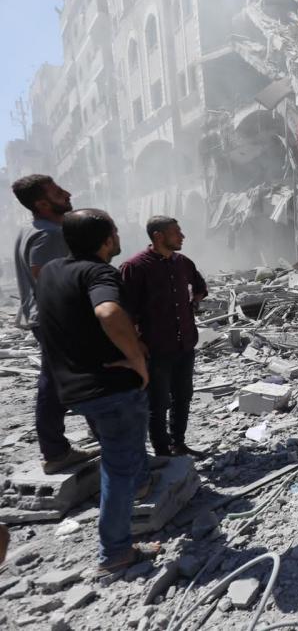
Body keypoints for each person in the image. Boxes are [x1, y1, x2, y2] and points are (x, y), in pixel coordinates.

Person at [35, 209, 159, 574]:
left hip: (74, 389)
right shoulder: (99, 272)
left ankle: (140, 487)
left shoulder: (51, 271)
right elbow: (107, 312)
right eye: (115, 232)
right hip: (111, 388)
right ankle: (115, 551)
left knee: (120, 452)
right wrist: (136, 358)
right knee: (117, 468)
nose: (119, 237)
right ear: (106, 240)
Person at [11, 174, 98, 474]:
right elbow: (47, 277)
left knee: (58, 380)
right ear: (42, 204)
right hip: (58, 320)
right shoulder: (49, 235)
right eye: (58, 192)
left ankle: (58, 448)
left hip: (47, 319)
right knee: (65, 381)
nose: (67, 193)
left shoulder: (33, 229)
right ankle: (58, 450)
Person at [120, 217, 208, 458]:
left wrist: (194, 301)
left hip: (184, 343)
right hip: (156, 348)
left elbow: (200, 287)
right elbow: (124, 311)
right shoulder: (135, 267)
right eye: (176, 232)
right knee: (158, 403)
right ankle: (162, 451)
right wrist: (136, 342)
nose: (182, 236)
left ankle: (178, 443)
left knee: (183, 397)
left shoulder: (183, 263)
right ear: (158, 236)